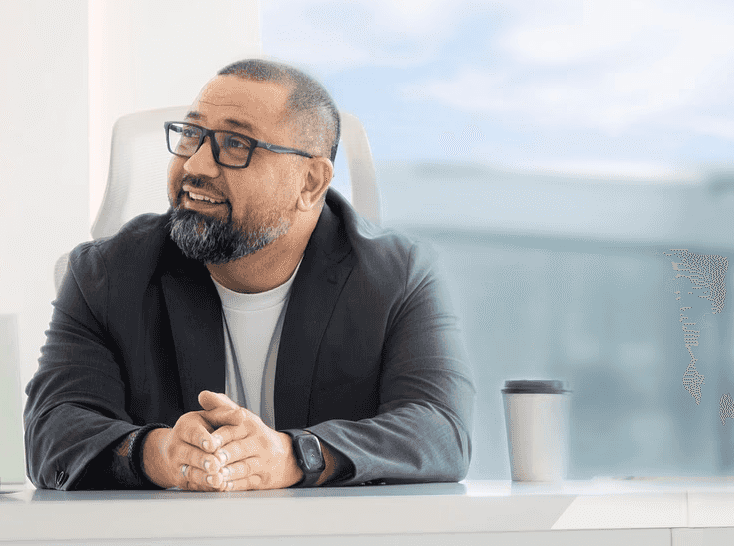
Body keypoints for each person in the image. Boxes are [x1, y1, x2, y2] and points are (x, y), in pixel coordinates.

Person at [24, 58, 474, 490]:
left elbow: (440, 430)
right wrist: (158, 453)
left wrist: (294, 456)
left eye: (236, 145)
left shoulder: (397, 277)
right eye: (191, 135)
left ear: (311, 183)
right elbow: (52, 430)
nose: (196, 165)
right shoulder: (105, 274)